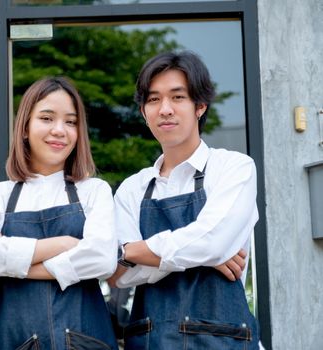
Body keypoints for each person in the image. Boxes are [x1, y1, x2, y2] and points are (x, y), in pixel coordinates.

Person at [108, 51, 261, 349]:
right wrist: (203, 256)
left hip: (222, 340)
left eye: (177, 97)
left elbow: (213, 242)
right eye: (153, 100)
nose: (165, 109)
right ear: (143, 112)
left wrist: (132, 249)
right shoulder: (131, 188)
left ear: (200, 106)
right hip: (151, 340)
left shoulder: (234, 167)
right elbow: (120, 276)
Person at [0, 76, 118, 350]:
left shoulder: (94, 190)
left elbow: (102, 259)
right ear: (24, 128)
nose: (60, 130)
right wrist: (65, 245)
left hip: (83, 342)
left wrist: (17, 265)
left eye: (70, 122)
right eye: (47, 118)